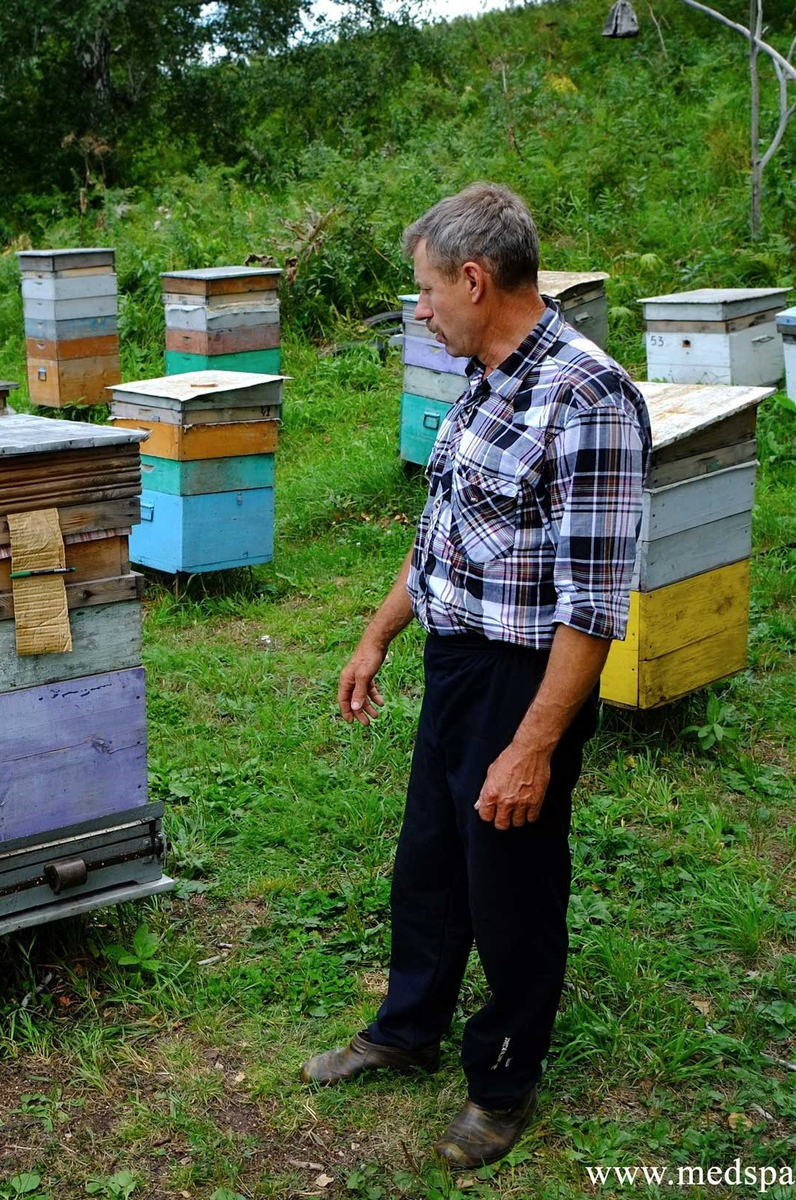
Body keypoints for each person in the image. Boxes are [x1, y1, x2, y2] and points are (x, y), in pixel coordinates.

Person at [300, 183, 651, 1169]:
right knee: (431, 860)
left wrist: (533, 747)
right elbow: (443, 534)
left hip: (525, 677)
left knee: (511, 884)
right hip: (456, 661)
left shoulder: (588, 398)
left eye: (425, 290)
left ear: (473, 279)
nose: (419, 311)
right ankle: (407, 1027)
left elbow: (593, 607)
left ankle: (502, 1081)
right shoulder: (484, 376)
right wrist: (378, 636)